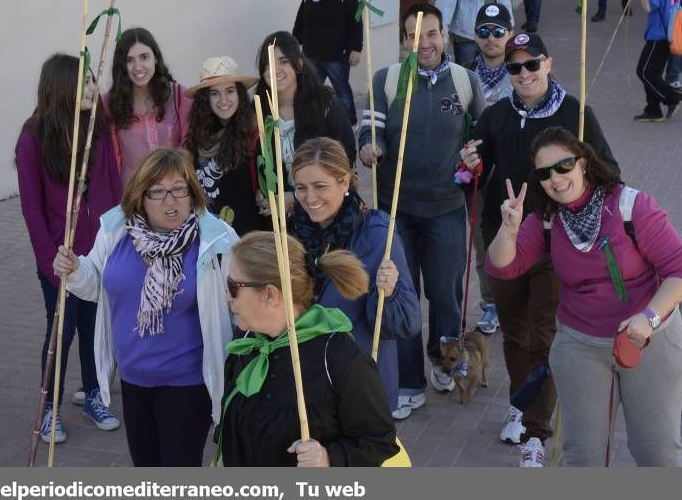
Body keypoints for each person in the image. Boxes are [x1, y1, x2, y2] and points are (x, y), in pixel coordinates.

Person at [486, 127, 682, 466]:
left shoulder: (631, 205)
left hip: (648, 341)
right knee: (583, 457)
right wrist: (508, 230)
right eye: (544, 173)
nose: (555, 179)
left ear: (583, 163)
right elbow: (503, 267)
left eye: (564, 166)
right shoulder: (547, 218)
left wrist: (650, 316)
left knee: (656, 453)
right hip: (580, 345)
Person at [461, 32, 619, 467]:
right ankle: (520, 401)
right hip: (506, 241)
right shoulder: (495, 115)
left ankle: (537, 431)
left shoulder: (576, 114)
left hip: (556, 244)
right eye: (515, 67)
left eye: (532, 64)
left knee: (545, 336)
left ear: (548, 64)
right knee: (515, 334)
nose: (524, 73)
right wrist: (469, 163)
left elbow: (611, 174)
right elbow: (474, 168)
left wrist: (580, 186)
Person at [53, 148, 238, 466]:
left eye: (180, 189)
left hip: (187, 383)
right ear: (141, 196)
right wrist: (74, 270)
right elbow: (97, 285)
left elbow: (238, 304)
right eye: (158, 192)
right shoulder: (117, 231)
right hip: (133, 380)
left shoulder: (217, 240)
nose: (171, 200)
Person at [358, 3, 486, 420]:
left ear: (444, 34)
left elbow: (481, 136)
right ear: (404, 40)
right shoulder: (388, 79)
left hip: (448, 207)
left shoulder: (466, 82)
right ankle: (410, 379)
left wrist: (474, 156)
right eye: (413, 35)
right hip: (398, 210)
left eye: (430, 34)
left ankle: (444, 357)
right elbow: (370, 126)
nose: (423, 43)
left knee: (446, 293)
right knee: (401, 292)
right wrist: (370, 146)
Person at [217, 231, 399, 466]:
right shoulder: (246, 343)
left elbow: (379, 441)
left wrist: (328, 458)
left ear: (270, 294)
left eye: (233, 287)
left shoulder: (338, 357)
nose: (226, 296)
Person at [16, 54, 122, 444]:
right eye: (87, 83)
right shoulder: (32, 138)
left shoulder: (97, 129)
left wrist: (115, 242)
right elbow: (31, 207)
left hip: (98, 254)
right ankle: (49, 409)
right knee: (61, 329)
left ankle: (94, 393)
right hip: (61, 259)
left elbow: (113, 191)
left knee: (95, 327)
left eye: (94, 81)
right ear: (62, 88)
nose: (95, 89)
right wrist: (50, 261)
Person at [290, 137, 421, 414]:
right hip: (308, 382)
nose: (310, 198)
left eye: (320, 186)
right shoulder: (292, 233)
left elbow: (406, 325)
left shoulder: (376, 234)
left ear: (344, 182)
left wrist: (391, 292)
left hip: (358, 385)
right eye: (301, 188)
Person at [253, 31, 355, 216]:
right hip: (283, 219)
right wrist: (264, 191)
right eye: (268, 64)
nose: (275, 70)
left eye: (283, 62)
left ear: (298, 65)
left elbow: (346, 160)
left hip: (325, 210)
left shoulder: (326, 104)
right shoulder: (259, 111)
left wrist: (294, 196)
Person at [464, 3, 516, 335]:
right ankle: (491, 304)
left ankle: (518, 300)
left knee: (519, 239)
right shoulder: (463, 73)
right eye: (484, 31)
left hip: (514, 174)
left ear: (509, 33)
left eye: (498, 31)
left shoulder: (522, 70)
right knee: (484, 242)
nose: (491, 38)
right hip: (477, 177)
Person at [184, 56, 268, 236]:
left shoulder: (255, 135)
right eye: (214, 93)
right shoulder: (196, 138)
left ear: (239, 93)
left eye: (229, 91)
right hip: (208, 239)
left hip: (246, 240)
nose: (223, 100)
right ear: (205, 99)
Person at [104, 27, 193, 185]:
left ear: (156, 58)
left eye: (144, 57)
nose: (138, 67)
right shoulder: (109, 103)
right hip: (132, 198)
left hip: (173, 194)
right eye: (129, 60)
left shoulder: (180, 96)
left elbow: (190, 147)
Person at [292, 0, 363, 127]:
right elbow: (299, 23)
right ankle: (311, 124)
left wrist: (356, 48)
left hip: (336, 56)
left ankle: (350, 123)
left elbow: (356, 22)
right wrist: (293, 50)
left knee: (342, 91)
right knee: (309, 92)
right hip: (311, 55)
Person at [634, 0, 682, 122]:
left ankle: (672, 97)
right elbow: (657, 2)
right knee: (653, 73)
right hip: (667, 37)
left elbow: (648, 6)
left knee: (643, 71)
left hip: (658, 37)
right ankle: (653, 109)